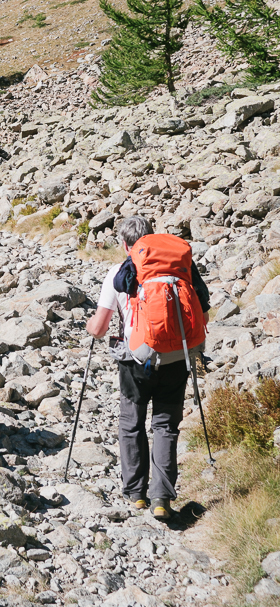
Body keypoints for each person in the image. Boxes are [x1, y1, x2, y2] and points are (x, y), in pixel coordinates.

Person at [85, 216, 210, 520]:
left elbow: (99, 329)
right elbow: (202, 318)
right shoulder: (180, 270)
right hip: (176, 359)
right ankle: (161, 499)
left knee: (132, 424)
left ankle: (136, 494)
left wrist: (89, 325)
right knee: (165, 426)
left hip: (136, 360)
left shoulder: (118, 272)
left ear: (125, 244)